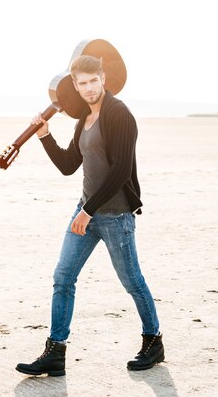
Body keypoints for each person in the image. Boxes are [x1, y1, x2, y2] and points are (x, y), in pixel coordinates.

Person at [15, 55, 164, 376]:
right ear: (75, 85)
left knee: (132, 281)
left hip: (115, 215)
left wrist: (87, 210)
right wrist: (44, 136)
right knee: (63, 277)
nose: (88, 88)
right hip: (86, 210)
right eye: (82, 83)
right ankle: (55, 353)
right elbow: (70, 165)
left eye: (93, 81)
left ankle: (153, 341)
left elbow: (121, 170)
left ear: (103, 79)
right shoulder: (84, 118)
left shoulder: (119, 115)